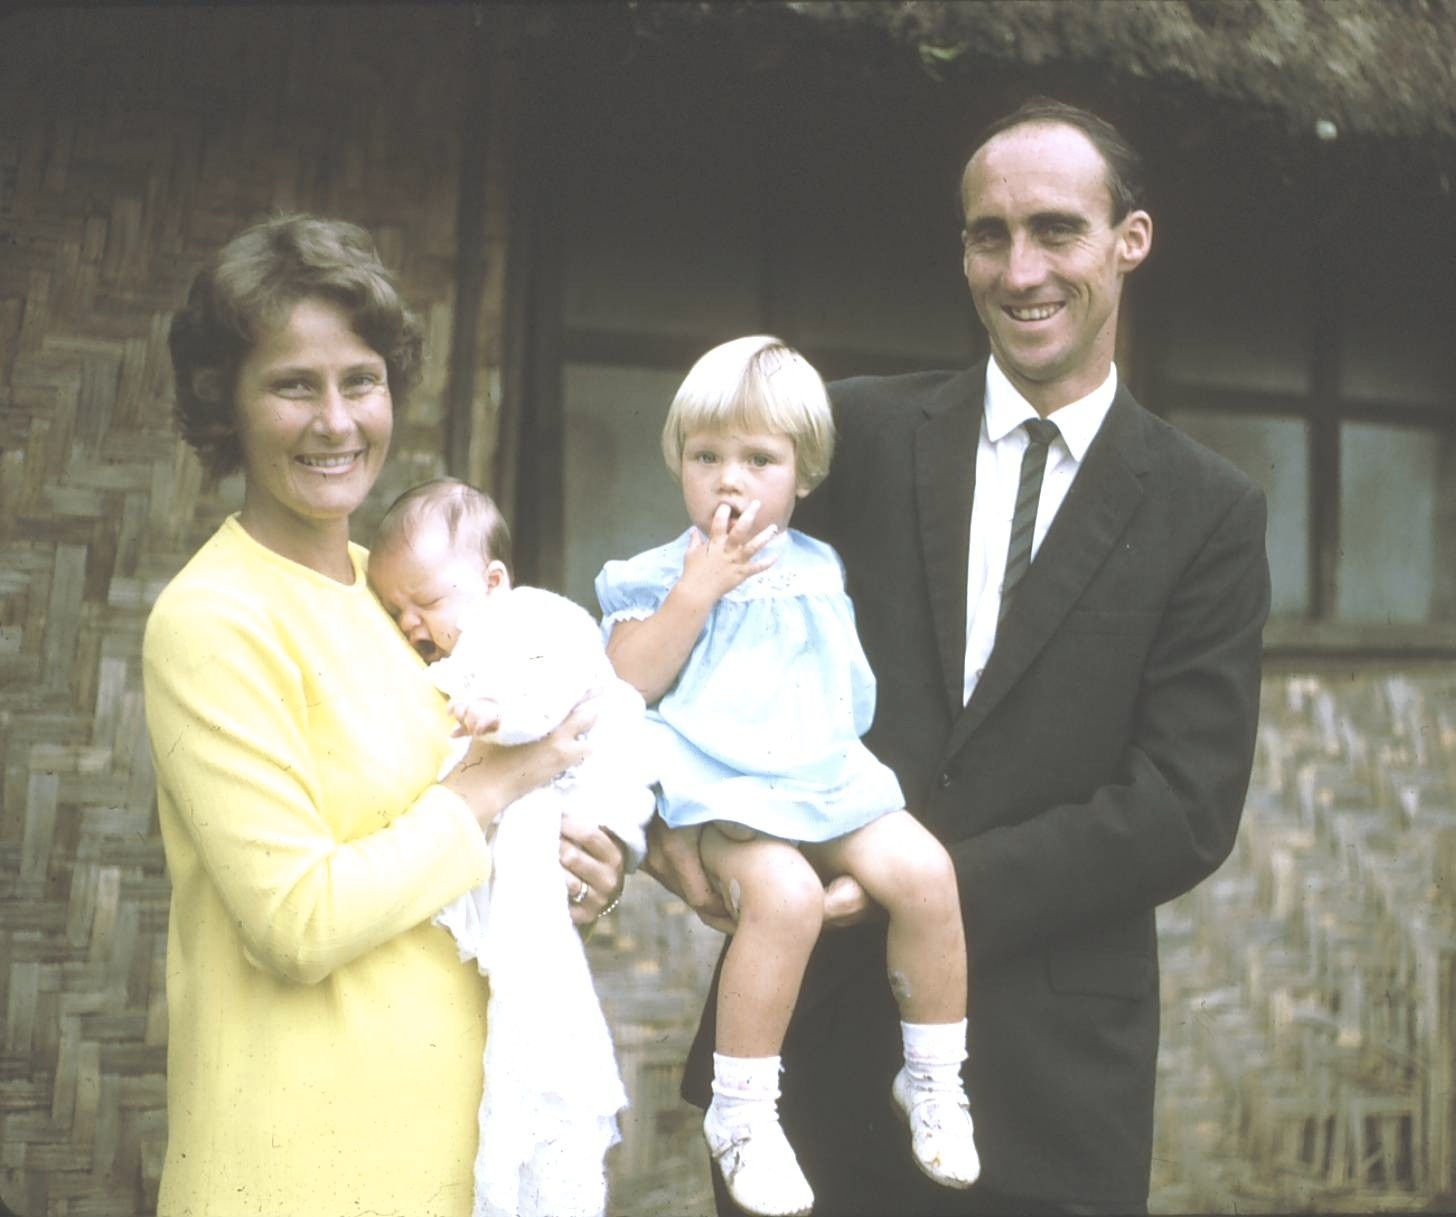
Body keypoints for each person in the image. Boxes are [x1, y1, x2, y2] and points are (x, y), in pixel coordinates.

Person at [642, 98, 1271, 1215]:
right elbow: (693, 623)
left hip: (1051, 1075)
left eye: (1056, 230)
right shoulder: (847, 435)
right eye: (991, 235)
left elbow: (1183, 806)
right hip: (811, 1054)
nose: (1020, 270)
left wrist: (910, 884)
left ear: (1130, 240)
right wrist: (662, 826)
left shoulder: (1207, 510)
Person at [143, 214, 624, 1217]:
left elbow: (488, 815)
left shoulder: (404, 600)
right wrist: (497, 786)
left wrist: (578, 863)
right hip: (304, 1167)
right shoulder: (214, 617)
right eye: (293, 385)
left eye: (360, 380)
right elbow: (297, 920)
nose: (336, 421)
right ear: (225, 401)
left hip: (457, 1159)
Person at [597, 336, 981, 1217]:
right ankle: (742, 1111)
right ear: (677, 461)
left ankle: (933, 1075)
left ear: (803, 473)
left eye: (758, 460)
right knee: (787, 896)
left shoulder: (819, 566)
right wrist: (695, 592)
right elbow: (623, 684)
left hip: (823, 774)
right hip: (722, 786)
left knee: (928, 872)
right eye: (706, 456)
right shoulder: (652, 575)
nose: (729, 480)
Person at [367, 477, 657, 1217]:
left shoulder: (532, 618)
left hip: (585, 789)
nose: (410, 623)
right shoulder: (443, 656)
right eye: (396, 611)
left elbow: (561, 687)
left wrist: (501, 716)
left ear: (492, 581)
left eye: (425, 601)